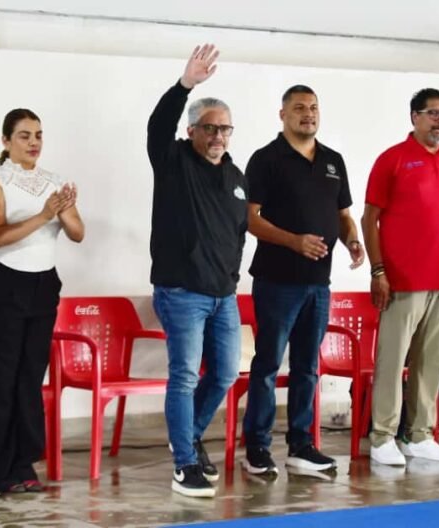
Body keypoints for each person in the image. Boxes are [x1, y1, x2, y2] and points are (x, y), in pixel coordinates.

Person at [240, 85, 364, 476]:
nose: (308, 114)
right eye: (299, 108)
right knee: (267, 364)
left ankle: (301, 445)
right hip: (276, 282)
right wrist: (294, 241)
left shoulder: (333, 161)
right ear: (283, 115)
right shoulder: (266, 159)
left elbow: (344, 216)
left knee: (308, 367)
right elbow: (250, 218)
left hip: (318, 284)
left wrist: (353, 241)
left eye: (313, 107)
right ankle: (257, 448)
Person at [147, 44, 247, 498]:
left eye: (225, 128)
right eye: (210, 128)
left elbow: (238, 232)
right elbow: (157, 126)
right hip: (181, 292)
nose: (219, 136)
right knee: (185, 376)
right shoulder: (174, 162)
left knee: (225, 374)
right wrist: (185, 84)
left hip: (223, 295)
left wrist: (231, 279)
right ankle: (184, 463)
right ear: (191, 131)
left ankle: (186, 437)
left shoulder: (236, 177)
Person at [0, 108, 84, 495]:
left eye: (38, 135)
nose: (34, 142)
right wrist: (44, 214)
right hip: (3, 284)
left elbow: (78, 233)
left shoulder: (54, 182)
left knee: (29, 378)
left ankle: (24, 464)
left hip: (42, 285)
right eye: (24, 135)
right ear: (6, 141)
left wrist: (64, 211)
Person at [361, 88, 439, 466]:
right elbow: (369, 219)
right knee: (392, 362)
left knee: (431, 362)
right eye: (433, 113)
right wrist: (378, 270)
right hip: (402, 281)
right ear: (415, 117)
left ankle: (419, 435)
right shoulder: (392, 159)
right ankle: (383, 437)